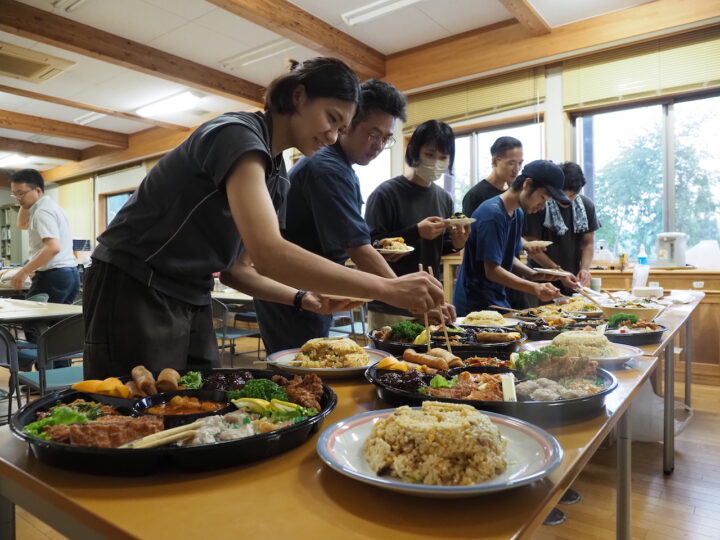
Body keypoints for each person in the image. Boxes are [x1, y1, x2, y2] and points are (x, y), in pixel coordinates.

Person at [83, 58, 445, 379]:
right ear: (299, 96)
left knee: (195, 402)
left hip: (191, 293)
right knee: (132, 411)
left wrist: (305, 299)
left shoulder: (278, 174)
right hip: (134, 280)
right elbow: (270, 253)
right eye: (331, 118)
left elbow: (237, 269)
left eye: (341, 127)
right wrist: (387, 288)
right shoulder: (235, 133)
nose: (332, 135)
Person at [254, 79, 408, 353]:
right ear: (348, 124)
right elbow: (357, 249)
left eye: (386, 138)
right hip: (294, 291)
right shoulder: (328, 168)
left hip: (311, 286)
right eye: (374, 134)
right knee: (301, 375)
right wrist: (403, 293)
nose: (379, 145)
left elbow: (346, 241)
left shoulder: (342, 167)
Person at [365, 120, 469, 329]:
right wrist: (416, 231)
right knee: (391, 361)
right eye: (429, 154)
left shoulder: (444, 198)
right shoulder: (386, 194)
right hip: (390, 306)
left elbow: (436, 248)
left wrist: (457, 244)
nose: (436, 162)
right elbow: (369, 245)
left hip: (429, 302)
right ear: (413, 151)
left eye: (443, 157)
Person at [452, 160, 573, 314]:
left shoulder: (517, 213)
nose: (542, 206)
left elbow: (508, 258)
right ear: (527, 184)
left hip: (495, 298)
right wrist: (534, 288)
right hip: (475, 304)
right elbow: (492, 271)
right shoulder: (492, 214)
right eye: (542, 198)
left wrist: (534, 274)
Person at [524, 161, 599, 294]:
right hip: (540, 282)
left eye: (573, 196)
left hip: (573, 281)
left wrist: (585, 269)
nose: (568, 200)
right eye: (564, 195)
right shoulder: (539, 205)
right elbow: (532, 247)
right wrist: (559, 272)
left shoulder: (586, 206)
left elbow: (588, 243)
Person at [10, 169, 80, 304]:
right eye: (15, 194)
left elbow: (53, 247)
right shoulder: (50, 207)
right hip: (68, 273)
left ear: (38, 191)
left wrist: (23, 271)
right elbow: (22, 224)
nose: (18, 198)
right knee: (57, 323)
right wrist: (23, 201)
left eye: (21, 193)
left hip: (53, 275)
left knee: (32, 322)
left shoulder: (42, 212)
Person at [461, 136, 523, 217]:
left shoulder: (514, 192)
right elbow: (467, 229)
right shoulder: (475, 195)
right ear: (494, 161)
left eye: (520, 163)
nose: (516, 169)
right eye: (511, 163)